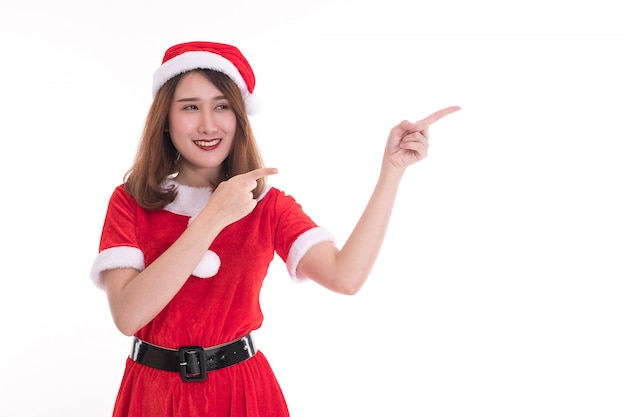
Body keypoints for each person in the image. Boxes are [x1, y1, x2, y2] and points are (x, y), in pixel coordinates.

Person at [90, 40, 460, 417]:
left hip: (243, 394)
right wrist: (213, 217)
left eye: (221, 106)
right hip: (152, 395)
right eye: (189, 107)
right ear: (165, 120)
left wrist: (392, 170)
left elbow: (345, 276)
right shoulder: (130, 201)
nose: (207, 124)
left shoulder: (267, 206)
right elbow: (128, 316)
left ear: (239, 117)